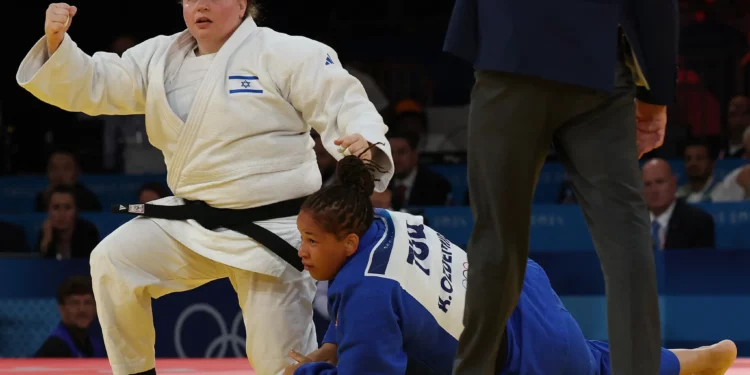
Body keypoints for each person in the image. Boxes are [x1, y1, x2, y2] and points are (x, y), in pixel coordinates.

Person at [16, 2, 393, 375]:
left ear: (243, 3)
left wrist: (365, 144)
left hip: (274, 231)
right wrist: (56, 44)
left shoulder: (287, 53)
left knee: (279, 363)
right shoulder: (159, 57)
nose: (201, 6)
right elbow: (95, 80)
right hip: (194, 222)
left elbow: (342, 102)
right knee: (114, 261)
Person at [283, 155, 737, 375]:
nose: (301, 251)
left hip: (524, 353)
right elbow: (382, 313)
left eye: (311, 241)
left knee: (594, 370)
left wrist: (311, 371)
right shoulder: (383, 220)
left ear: (349, 241)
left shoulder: (367, 290)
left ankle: (694, 362)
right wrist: (333, 346)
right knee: (596, 362)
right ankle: (697, 360)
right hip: (520, 291)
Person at [442, 0, 679, 372]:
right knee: (626, 240)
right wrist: (657, 90)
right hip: (597, 62)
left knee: (497, 241)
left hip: (510, 52)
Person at [35, 275, 107, 358]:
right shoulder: (56, 347)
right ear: (62, 309)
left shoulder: (96, 345)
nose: (82, 309)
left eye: (88, 302)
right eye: (75, 303)